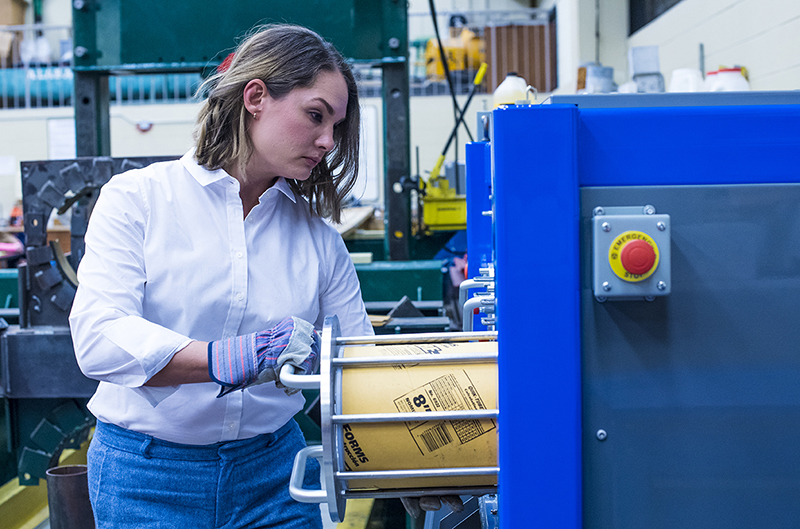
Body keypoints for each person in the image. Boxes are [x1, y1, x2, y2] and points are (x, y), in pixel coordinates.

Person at [69, 24, 372, 529]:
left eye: (336, 127)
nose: (327, 141)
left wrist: (411, 465)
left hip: (276, 475)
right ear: (256, 96)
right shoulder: (138, 200)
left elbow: (357, 368)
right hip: (147, 479)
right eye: (316, 116)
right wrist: (228, 358)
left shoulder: (318, 239)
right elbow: (99, 339)